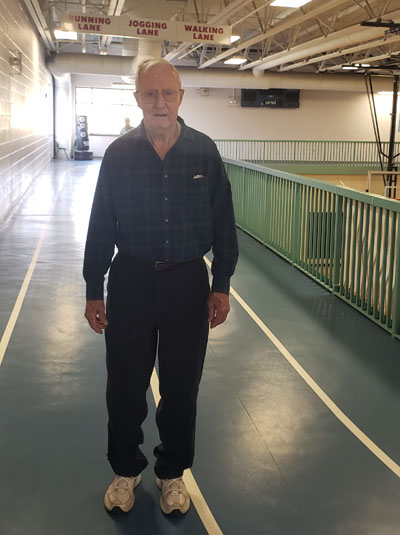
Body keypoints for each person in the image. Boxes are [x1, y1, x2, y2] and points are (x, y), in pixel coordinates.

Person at [83, 57, 238, 516]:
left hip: (188, 284)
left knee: (181, 387)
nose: (159, 102)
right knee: (125, 386)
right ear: (137, 99)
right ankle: (125, 471)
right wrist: (95, 287)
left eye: (167, 93)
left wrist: (222, 283)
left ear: (181, 97)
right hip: (130, 281)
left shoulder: (204, 153)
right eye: (150, 94)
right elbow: (99, 225)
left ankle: (171, 473)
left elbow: (224, 224)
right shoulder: (118, 154)